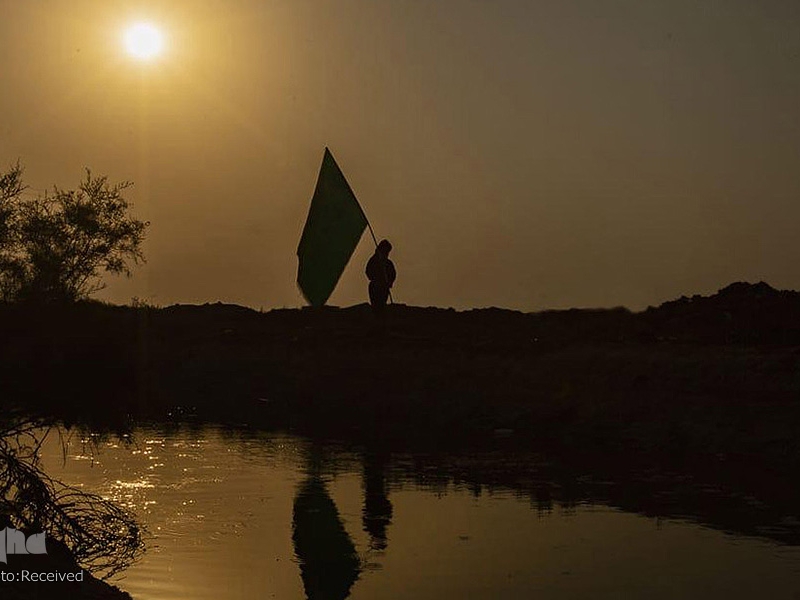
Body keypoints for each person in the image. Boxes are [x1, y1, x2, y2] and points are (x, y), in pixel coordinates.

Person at [365, 239, 396, 317]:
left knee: (382, 306)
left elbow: (393, 274)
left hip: (384, 287)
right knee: (376, 306)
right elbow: (368, 272)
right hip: (375, 286)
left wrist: (389, 282)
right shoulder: (374, 260)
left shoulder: (388, 263)